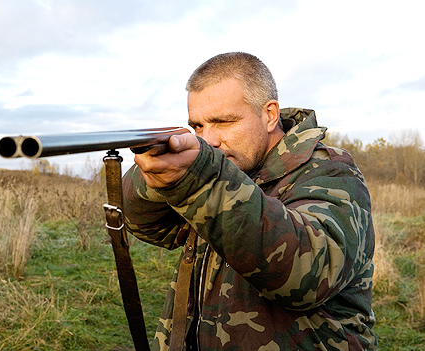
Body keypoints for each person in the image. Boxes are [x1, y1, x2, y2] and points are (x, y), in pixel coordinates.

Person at [122, 52, 377, 351]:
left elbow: (307, 272)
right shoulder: (223, 169)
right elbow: (146, 225)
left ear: (269, 114)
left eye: (224, 121)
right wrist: (159, 172)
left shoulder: (331, 171)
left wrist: (203, 176)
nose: (209, 140)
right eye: (199, 126)